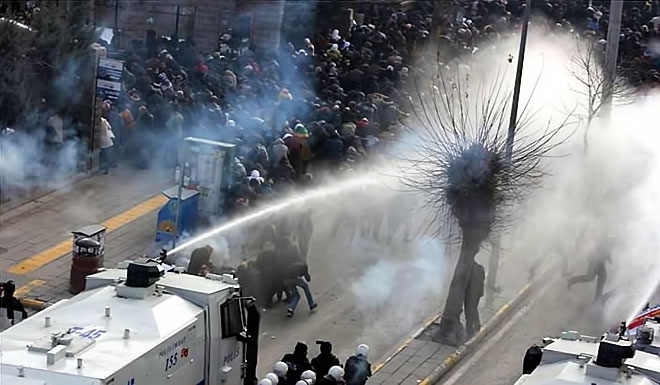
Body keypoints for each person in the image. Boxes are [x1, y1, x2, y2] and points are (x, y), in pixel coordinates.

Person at [464, 261, 485, 339]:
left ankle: (469, 330)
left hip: (470, 294)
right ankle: (477, 325)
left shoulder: (468, 271)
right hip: (478, 293)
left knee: (469, 311)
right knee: (474, 309)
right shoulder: (480, 268)